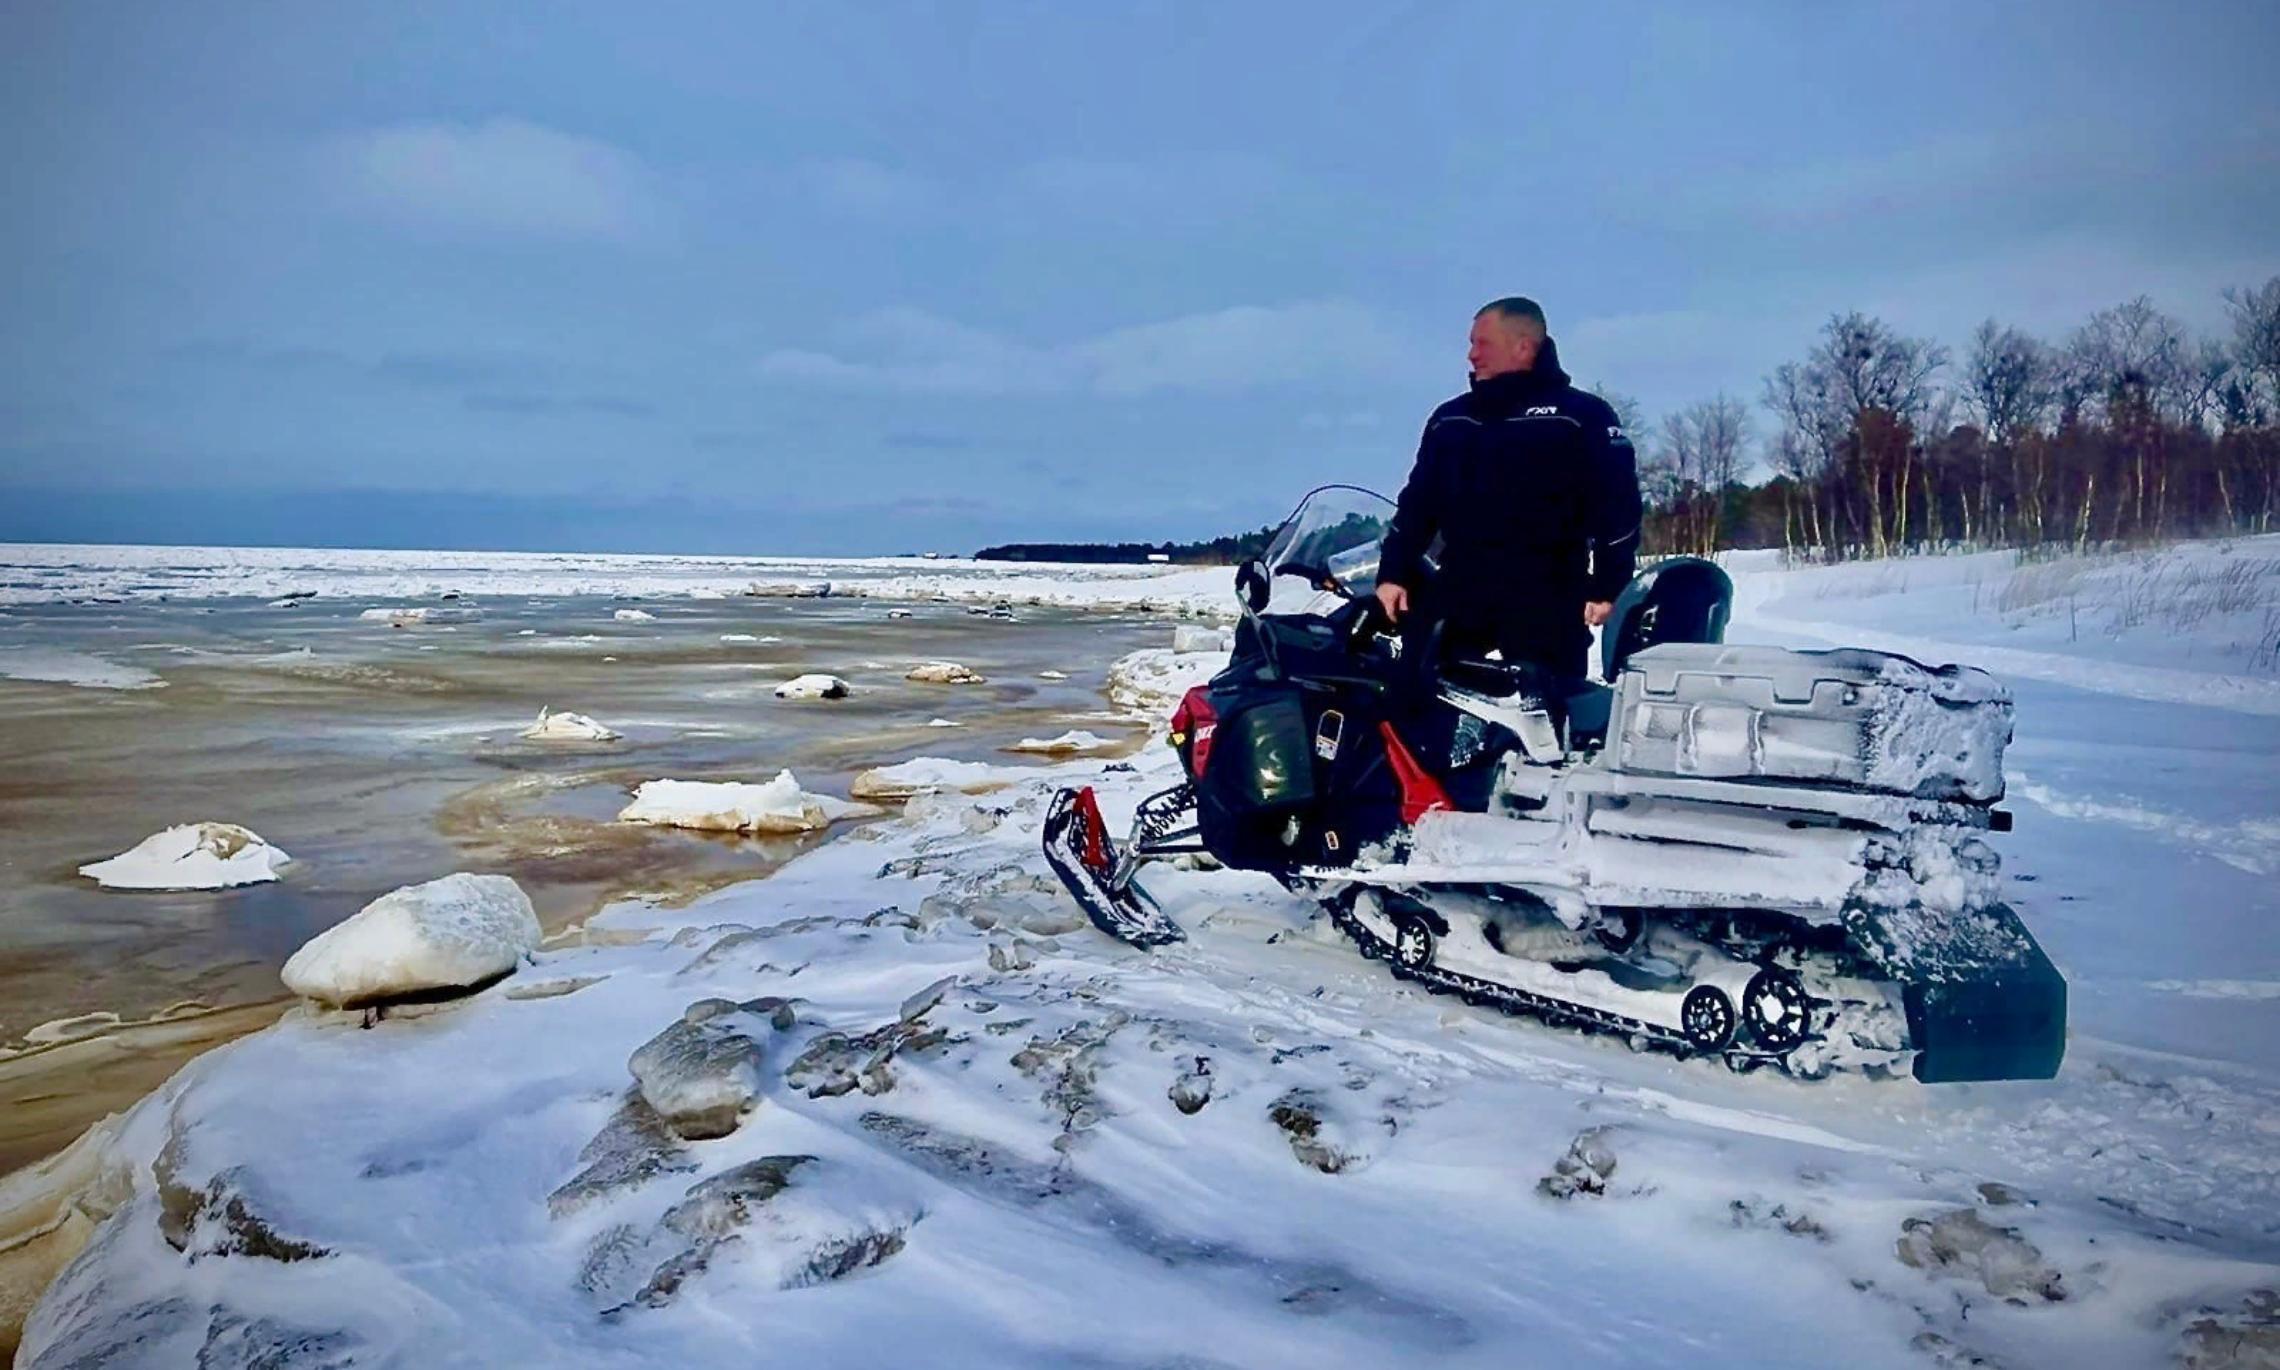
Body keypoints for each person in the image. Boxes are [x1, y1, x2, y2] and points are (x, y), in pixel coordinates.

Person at [1374, 297, 1641, 680]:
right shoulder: (1451, 420)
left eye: (1482, 344)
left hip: (1548, 594)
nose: (1471, 356)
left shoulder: (1580, 417)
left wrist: (1608, 585)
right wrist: (1393, 573)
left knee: (1549, 714)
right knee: (1419, 698)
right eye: (1470, 344)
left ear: (1522, 346)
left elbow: (1618, 509)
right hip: (1460, 589)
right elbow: (1418, 504)